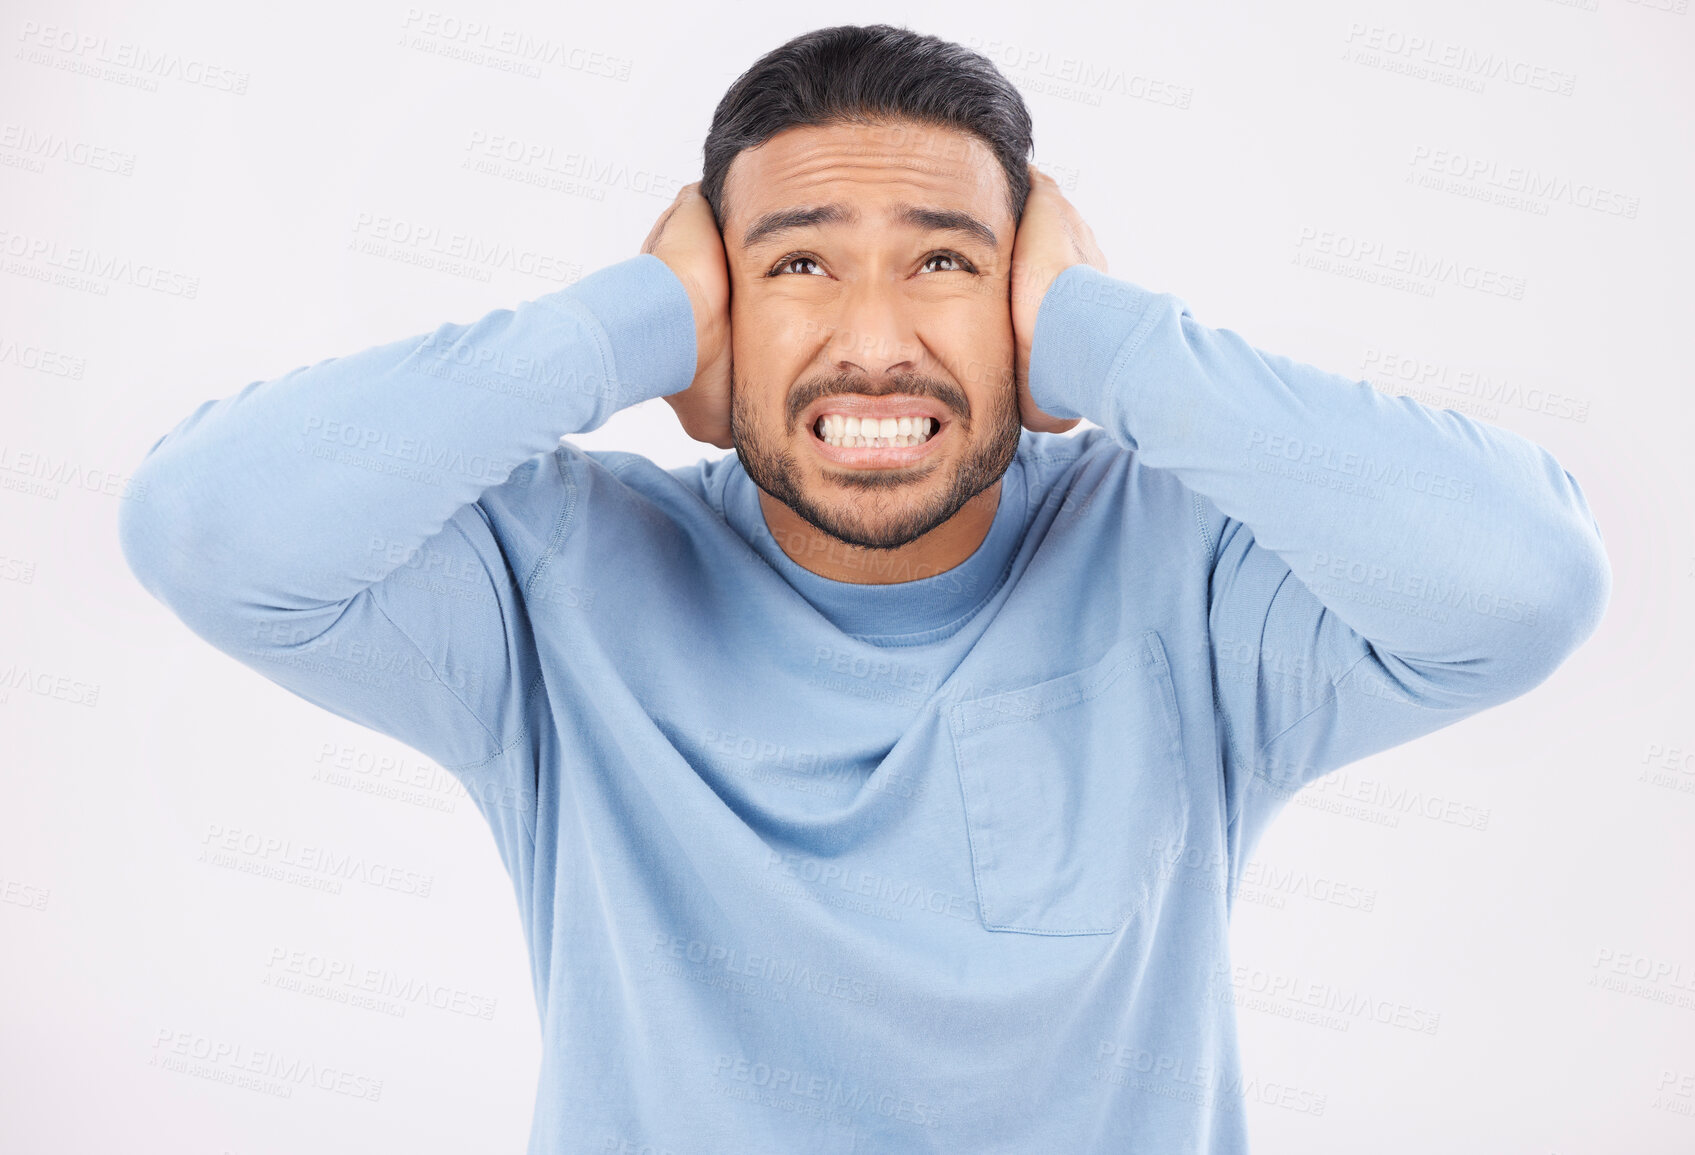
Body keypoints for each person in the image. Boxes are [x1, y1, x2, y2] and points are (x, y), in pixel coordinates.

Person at [117, 23, 1611, 1154]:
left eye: (949, 261)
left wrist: (1118, 344)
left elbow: (1524, 582)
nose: (878, 340)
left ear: (1028, 298)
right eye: (799, 268)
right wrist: (620, 324)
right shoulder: (556, 586)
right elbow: (208, 529)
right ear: (718, 323)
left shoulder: (1185, 565)